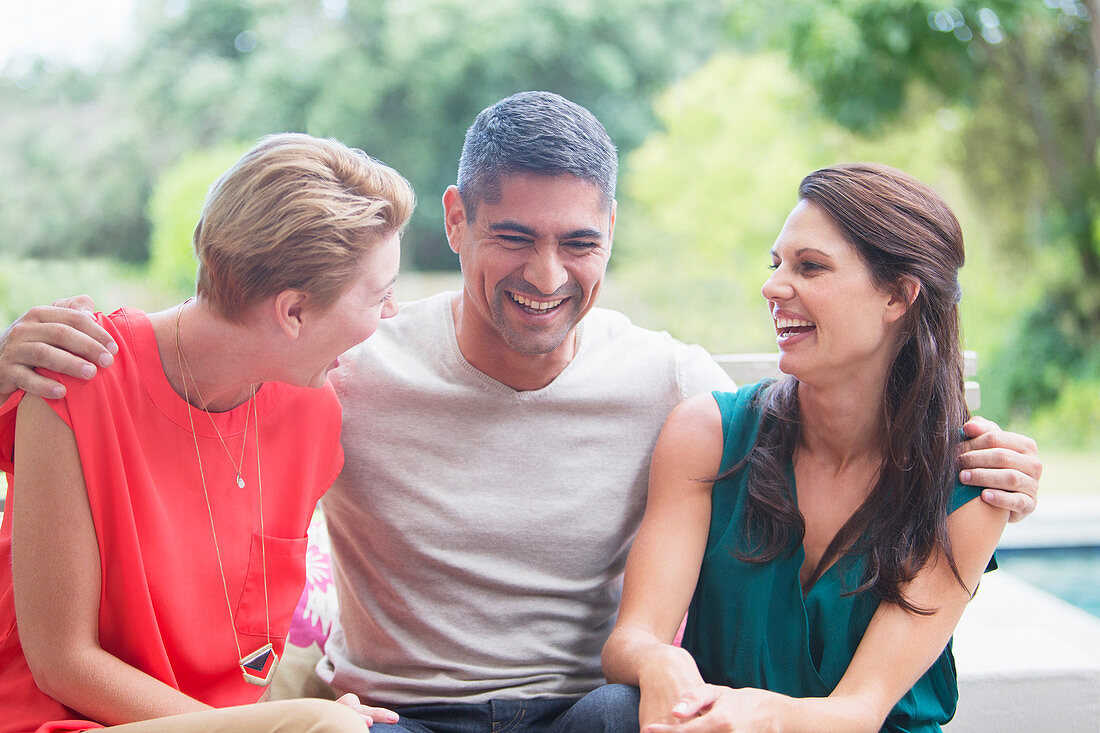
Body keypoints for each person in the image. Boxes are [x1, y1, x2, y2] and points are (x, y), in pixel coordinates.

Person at [0, 94, 1043, 733]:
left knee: (614, 715)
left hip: (580, 712)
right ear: (455, 221)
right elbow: (188, 375)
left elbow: (817, 406)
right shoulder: (340, 373)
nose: (546, 274)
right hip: (400, 714)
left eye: (578, 242)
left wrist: (983, 454)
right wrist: (12, 365)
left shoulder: (668, 384)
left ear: (610, 234)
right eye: (513, 236)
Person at [0, 133, 414, 732]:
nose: (393, 313)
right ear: (293, 311)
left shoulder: (312, 413)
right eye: (379, 295)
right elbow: (64, 664)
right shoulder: (78, 375)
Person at [601, 163, 1015, 732]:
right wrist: (658, 661)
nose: (773, 286)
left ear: (898, 295)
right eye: (776, 265)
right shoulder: (708, 436)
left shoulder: (970, 487)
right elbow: (629, 639)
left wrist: (759, 716)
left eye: (811, 267)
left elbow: (861, 710)